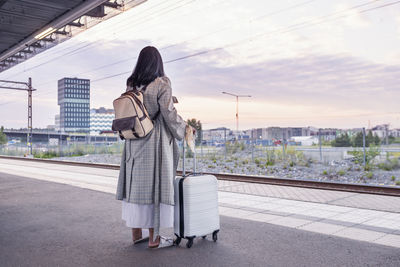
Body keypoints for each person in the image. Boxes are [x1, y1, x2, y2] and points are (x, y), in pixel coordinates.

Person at [116, 46, 194, 249]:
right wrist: (185, 129)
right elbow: (168, 113)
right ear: (158, 63)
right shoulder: (162, 83)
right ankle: (154, 238)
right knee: (154, 186)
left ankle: (136, 234)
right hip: (154, 140)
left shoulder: (132, 83)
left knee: (136, 186)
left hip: (134, 140)